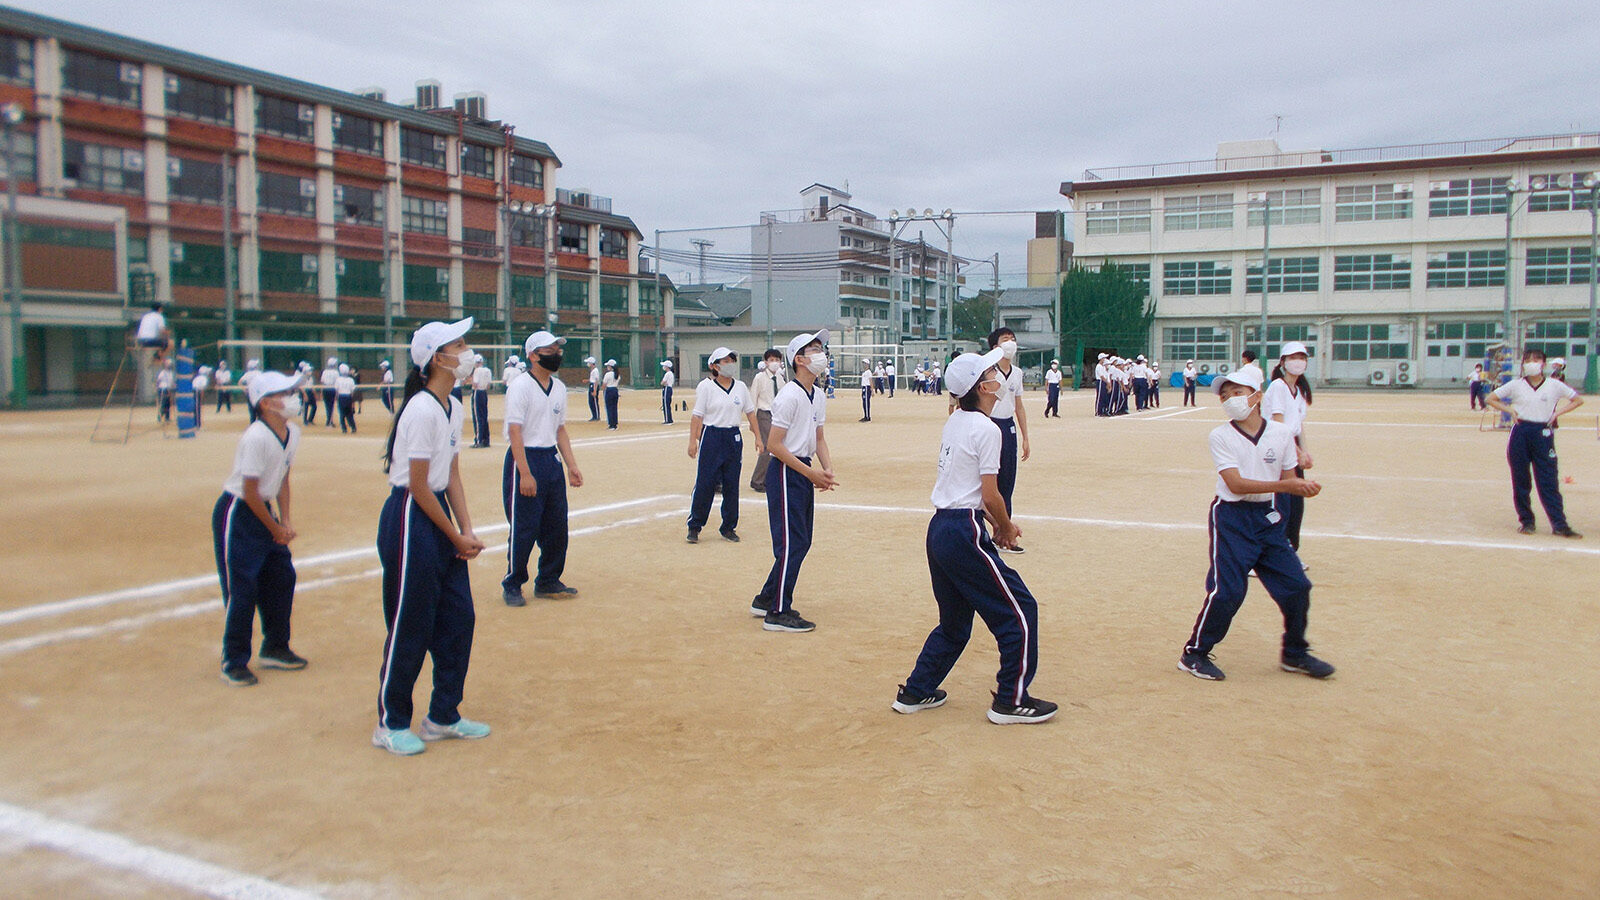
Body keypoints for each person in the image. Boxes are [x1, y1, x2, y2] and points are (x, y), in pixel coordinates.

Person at [893, 347, 1057, 724]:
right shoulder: (986, 428)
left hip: (941, 528)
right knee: (1020, 611)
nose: (998, 377)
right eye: (991, 374)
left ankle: (916, 691)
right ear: (983, 386)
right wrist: (1004, 526)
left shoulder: (955, 420)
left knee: (954, 623)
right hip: (964, 529)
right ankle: (1011, 700)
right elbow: (989, 493)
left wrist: (998, 524)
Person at [373, 318, 490, 756]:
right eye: (458, 344)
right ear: (437, 358)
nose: (467, 350)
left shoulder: (453, 406)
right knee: (410, 622)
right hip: (411, 516)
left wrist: (466, 529)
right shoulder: (420, 409)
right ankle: (391, 721)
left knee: (459, 619)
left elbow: (451, 472)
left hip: (437, 515)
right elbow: (418, 486)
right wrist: (452, 535)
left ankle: (443, 715)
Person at [1178, 365, 1333, 682]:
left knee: (1297, 587)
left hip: (1268, 518)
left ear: (1256, 396)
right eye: (1224, 396)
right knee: (1228, 592)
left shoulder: (1281, 435)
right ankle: (1194, 653)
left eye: (1237, 393)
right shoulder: (1220, 436)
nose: (1230, 400)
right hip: (1232, 518)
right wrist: (1289, 487)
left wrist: (1295, 495)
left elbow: (1289, 482)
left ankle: (1294, 653)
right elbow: (1235, 484)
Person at [213, 369, 308, 687]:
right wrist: (274, 527)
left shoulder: (292, 433)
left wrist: (286, 520)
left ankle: (275, 646)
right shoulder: (255, 436)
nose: (292, 398)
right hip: (239, 511)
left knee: (282, 577)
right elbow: (250, 491)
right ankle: (233, 659)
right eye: (284, 393)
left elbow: (283, 478)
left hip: (263, 510)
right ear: (265, 403)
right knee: (243, 588)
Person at [750, 329, 837, 633]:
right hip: (787, 472)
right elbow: (774, 445)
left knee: (801, 541)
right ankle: (778, 611)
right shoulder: (789, 395)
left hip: (803, 469)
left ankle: (765, 598)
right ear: (799, 359)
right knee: (792, 543)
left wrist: (826, 470)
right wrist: (809, 472)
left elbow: (819, 437)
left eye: (820, 348)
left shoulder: (818, 394)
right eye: (814, 349)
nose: (820, 353)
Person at [501, 330, 585, 606]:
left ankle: (548, 579)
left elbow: (560, 429)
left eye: (557, 350)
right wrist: (524, 472)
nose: (556, 355)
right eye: (549, 351)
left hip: (551, 460)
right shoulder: (520, 386)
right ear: (533, 355)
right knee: (524, 526)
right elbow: (515, 431)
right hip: (525, 457)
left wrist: (571, 465)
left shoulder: (559, 388)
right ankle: (513, 583)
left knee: (556, 525)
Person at [1485, 349, 1584, 537]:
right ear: (1523, 364)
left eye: (1536, 359)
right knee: (1521, 479)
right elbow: (1491, 398)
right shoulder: (1516, 385)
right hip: (1521, 432)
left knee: (1548, 480)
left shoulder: (1554, 385)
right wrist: (1509, 410)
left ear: (1543, 364)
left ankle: (1559, 524)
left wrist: (1557, 413)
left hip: (1543, 433)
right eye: (1528, 359)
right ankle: (1527, 521)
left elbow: (1578, 400)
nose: (1532, 362)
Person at [687, 347, 762, 544]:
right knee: (705, 482)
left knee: (731, 484)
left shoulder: (740, 387)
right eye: (725, 361)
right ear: (714, 366)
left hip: (733, 436)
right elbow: (697, 416)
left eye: (731, 360)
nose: (729, 364)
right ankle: (695, 525)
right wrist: (693, 441)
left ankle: (728, 526)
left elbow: (750, 413)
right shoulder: (706, 387)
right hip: (712, 435)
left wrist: (758, 437)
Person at [980, 328, 1029, 551]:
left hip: (1008, 427)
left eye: (1012, 339)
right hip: (990, 425)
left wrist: (1025, 437)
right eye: (1005, 340)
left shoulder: (1017, 373)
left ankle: (1004, 535)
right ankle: (989, 532)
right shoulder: (988, 372)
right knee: (991, 482)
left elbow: (1019, 405)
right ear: (995, 347)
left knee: (1007, 483)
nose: (1010, 343)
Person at [1263, 341, 1314, 555]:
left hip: (1291, 451)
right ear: (1283, 362)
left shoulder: (1299, 390)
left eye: (1302, 357)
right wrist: (1298, 452)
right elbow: (1278, 424)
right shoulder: (1278, 387)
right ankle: (1269, 555)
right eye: (1293, 358)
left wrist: (1306, 451)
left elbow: (1298, 425)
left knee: (1295, 506)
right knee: (1281, 506)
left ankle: (1289, 552)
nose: (1298, 362)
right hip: (1277, 451)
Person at [749, 348, 786, 493]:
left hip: (777, 415)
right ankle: (757, 480)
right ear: (765, 362)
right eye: (771, 360)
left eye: (777, 360)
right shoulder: (760, 378)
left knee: (777, 448)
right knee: (767, 447)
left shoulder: (781, 378)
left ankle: (768, 479)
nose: (774, 363)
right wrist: (753, 422)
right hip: (764, 414)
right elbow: (753, 398)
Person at [470, 353, 492, 448]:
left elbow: (475, 384)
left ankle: (479, 440)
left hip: (477, 392)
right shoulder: (487, 370)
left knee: (477, 417)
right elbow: (488, 386)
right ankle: (486, 439)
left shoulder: (477, 371)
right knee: (484, 416)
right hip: (484, 393)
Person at [335, 363, 357, 433]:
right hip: (348, 397)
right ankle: (353, 427)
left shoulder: (338, 380)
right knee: (349, 414)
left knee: (342, 414)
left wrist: (336, 398)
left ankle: (344, 429)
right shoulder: (351, 380)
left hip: (341, 397)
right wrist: (352, 399)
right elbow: (352, 391)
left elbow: (337, 390)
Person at [319, 357, 339, 427]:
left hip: (325, 389)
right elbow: (337, 383)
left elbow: (322, 382)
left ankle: (329, 420)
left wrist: (321, 392)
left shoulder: (324, 371)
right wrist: (337, 393)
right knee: (331, 406)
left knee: (327, 406)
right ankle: (330, 421)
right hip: (332, 389)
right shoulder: (336, 372)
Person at [602, 359, 620, 430]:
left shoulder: (608, 374)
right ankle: (615, 424)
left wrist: (603, 391)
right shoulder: (617, 374)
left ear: (610, 366)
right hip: (615, 390)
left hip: (609, 390)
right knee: (614, 408)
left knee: (609, 408)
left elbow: (604, 384)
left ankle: (611, 424)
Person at [156, 358, 175, 422]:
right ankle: (160, 416)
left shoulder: (171, 373)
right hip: (163, 389)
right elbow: (158, 381)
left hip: (168, 389)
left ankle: (167, 417)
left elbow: (171, 382)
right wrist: (157, 388)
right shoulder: (162, 372)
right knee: (163, 403)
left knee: (168, 404)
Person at [585, 356, 601, 422]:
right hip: (591, 385)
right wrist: (588, 380)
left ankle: (597, 416)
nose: (588, 364)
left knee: (594, 401)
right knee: (590, 402)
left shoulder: (595, 371)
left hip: (594, 386)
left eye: (588, 363)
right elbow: (593, 379)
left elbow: (596, 381)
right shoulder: (593, 371)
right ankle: (594, 416)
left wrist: (595, 391)